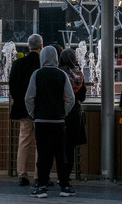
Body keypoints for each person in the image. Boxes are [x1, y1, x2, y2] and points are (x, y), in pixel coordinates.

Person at [25, 46, 75, 199]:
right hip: (58, 121)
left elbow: (29, 98)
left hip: (41, 120)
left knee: (43, 154)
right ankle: (65, 186)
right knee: (60, 154)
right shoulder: (62, 75)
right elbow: (71, 98)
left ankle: (41, 186)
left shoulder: (37, 74)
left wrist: (34, 113)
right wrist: (63, 112)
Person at [9, 34, 43, 186]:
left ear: (28, 46)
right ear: (41, 46)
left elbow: (13, 88)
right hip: (41, 109)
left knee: (24, 140)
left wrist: (21, 101)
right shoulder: (43, 64)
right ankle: (39, 175)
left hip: (23, 108)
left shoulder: (18, 63)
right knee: (41, 142)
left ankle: (22, 174)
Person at [58, 48, 87, 182]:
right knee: (70, 146)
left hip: (60, 112)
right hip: (74, 112)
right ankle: (66, 175)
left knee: (59, 145)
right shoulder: (79, 74)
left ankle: (59, 174)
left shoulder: (59, 73)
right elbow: (82, 96)